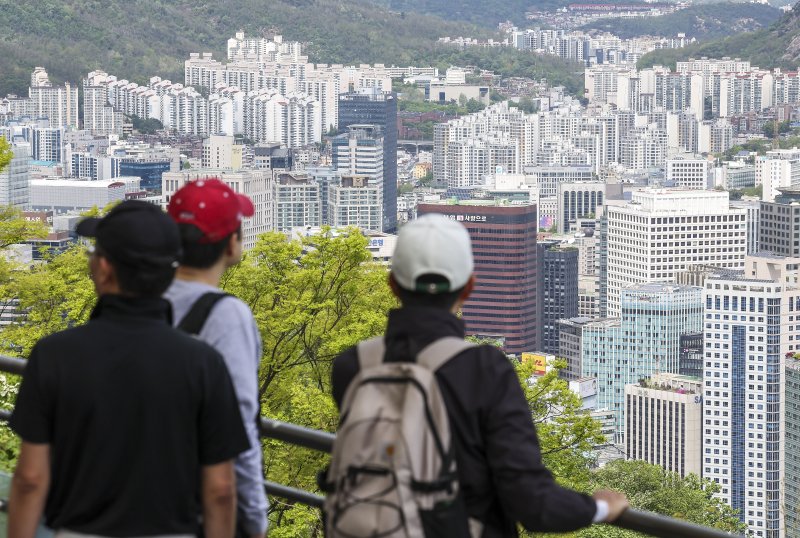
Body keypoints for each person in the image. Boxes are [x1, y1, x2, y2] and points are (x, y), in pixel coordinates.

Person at [331, 214, 629, 536]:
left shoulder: (352, 366)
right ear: (469, 286)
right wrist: (600, 507)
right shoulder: (484, 370)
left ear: (392, 284)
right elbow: (533, 504)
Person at [8, 200, 250, 538]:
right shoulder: (203, 362)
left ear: (105, 268)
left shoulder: (54, 355)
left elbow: (31, 479)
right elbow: (221, 489)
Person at [164, 178, 268, 538]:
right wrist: (255, 518)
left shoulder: (143, 297)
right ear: (231, 242)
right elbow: (238, 428)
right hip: (197, 506)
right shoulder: (227, 317)